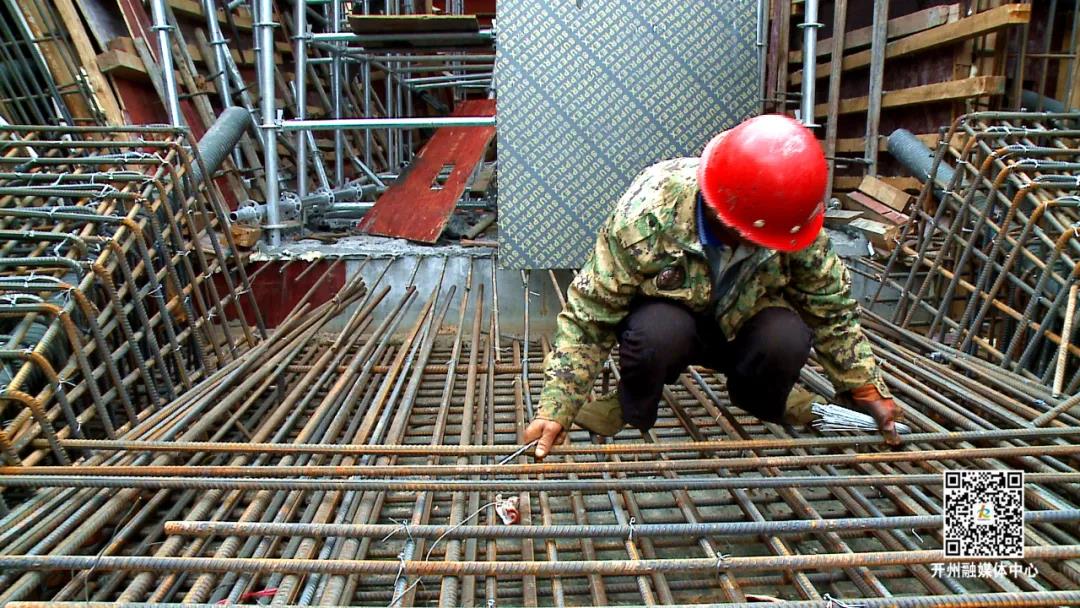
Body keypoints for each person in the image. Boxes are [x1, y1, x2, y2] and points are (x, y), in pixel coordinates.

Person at [523, 114, 902, 459]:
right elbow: (590, 316)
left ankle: (762, 400)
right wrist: (557, 406)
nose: (756, 248)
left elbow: (831, 312)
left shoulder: (789, 222)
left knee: (786, 337)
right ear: (717, 209)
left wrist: (865, 386)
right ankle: (632, 404)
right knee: (655, 335)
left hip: (743, 326)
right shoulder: (649, 212)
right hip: (671, 322)